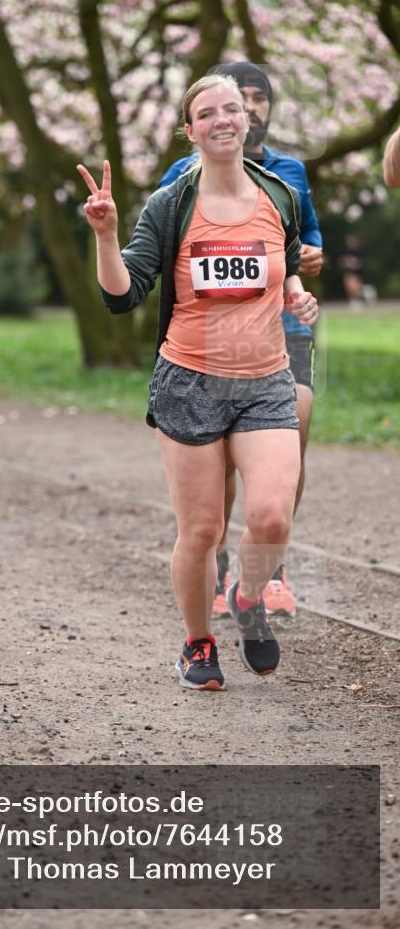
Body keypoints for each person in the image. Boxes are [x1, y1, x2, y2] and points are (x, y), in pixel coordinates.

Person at [77, 75, 317, 691]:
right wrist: (106, 237)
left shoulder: (281, 194)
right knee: (203, 529)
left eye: (231, 109)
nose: (222, 120)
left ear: (248, 120)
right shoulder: (171, 204)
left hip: (266, 381)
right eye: (206, 113)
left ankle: (247, 594)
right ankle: (197, 643)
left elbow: (284, 258)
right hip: (190, 382)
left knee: (270, 519)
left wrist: (295, 291)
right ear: (191, 131)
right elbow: (122, 294)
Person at [158, 62, 323, 619]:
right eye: (227, 102)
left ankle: (270, 568)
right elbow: (161, 246)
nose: (241, 111)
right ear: (195, 123)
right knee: (217, 466)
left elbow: (302, 241)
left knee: (286, 444)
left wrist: (302, 271)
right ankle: (220, 561)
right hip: (205, 345)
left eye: (253, 100)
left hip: (283, 330)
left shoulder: (288, 175)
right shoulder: (181, 178)